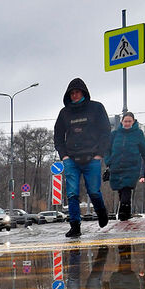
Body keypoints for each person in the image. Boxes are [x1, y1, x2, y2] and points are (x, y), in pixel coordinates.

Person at [53, 78, 111, 237]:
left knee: (93, 191)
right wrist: (63, 155)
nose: (74, 95)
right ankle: (75, 226)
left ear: (83, 92)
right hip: (71, 159)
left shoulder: (96, 108)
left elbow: (106, 132)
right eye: (71, 93)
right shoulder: (64, 113)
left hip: (92, 157)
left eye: (77, 92)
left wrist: (100, 154)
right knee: (72, 193)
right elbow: (58, 136)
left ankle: (101, 212)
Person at [106, 111, 145, 220]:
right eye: (125, 121)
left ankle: (123, 211)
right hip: (116, 166)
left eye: (129, 121)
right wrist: (108, 161)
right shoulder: (115, 134)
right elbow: (107, 149)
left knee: (127, 187)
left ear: (133, 122)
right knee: (121, 189)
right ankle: (126, 211)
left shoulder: (138, 134)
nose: (127, 123)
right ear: (122, 122)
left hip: (132, 166)